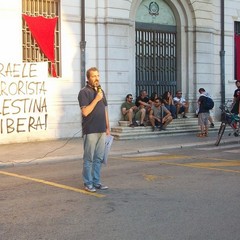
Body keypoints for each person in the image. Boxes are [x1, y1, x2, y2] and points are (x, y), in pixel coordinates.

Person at [78, 67, 110, 193]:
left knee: (98, 158)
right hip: (90, 130)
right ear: (88, 78)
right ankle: (88, 183)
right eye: (93, 76)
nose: (96, 78)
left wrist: (108, 127)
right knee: (88, 159)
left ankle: (96, 182)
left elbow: (105, 109)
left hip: (102, 129)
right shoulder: (84, 92)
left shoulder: (101, 91)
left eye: (98, 75)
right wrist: (96, 99)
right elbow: (85, 112)